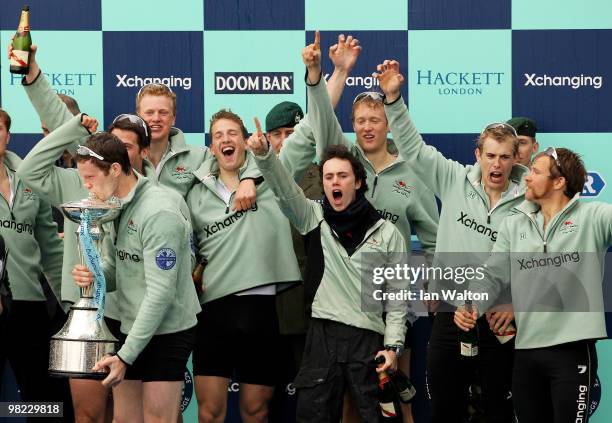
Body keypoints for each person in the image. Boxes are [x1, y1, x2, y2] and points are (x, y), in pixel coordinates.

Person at [373, 60, 529, 422]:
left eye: (505, 157)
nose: (497, 164)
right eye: (490, 155)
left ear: (515, 159)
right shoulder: (453, 179)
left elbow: (538, 259)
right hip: (450, 314)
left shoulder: (530, 201)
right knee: (446, 409)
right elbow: (413, 149)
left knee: (498, 412)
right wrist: (393, 99)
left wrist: (514, 305)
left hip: (498, 320)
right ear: (478, 154)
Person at [301, 34, 439, 423]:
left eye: (374, 119)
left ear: (387, 123)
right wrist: (321, 75)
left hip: (393, 296)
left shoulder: (412, 173)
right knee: (348, 403)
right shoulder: (342, 161)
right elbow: (319, 119)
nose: (366, 127)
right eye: (359, 120)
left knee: (395, 398)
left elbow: (432, 237)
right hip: (343, 295)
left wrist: (430, 284)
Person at [249, 116, 411, 421]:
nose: (334, 182)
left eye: (342, 176)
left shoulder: (387, 232)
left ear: (358, 181)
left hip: (368, 339)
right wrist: (264, 156)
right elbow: (284, 190)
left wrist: (392, 348)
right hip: (322, 334)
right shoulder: (314, 217)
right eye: (328, 177)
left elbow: (398, 299)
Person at [455, 147, 611, 422]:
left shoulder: (593, 217)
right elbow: (492, 275)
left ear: (559, 182)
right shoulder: (514, 224)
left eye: (536, 172)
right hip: (525, 352)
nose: (527, 177)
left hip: (571, 350)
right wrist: (471, 305)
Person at [70, 128, 200, 423]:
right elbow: (116, 271)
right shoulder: (113, 205)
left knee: (157, 419)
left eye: (91, 178)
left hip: (168, 329)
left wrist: (125, 355)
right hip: (132, 325)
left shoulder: (159, 212)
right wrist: (95, 276)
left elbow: (161, 293)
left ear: (115, 169)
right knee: (125, 419)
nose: (87, 187)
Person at [187, 110, 301, 423]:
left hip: (262, 311)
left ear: (245, 142)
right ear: (212, 148)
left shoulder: (274, 175)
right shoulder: (192, 191)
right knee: (209, 414)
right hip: (213, 311)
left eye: (232, 133)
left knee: (256, 412)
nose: (225, 139)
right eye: (218, 135)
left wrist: (328, 73)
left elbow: (310, 130)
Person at [0, 108, 65, 421]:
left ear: (8, 135)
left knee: (41, 400)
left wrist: (70, 300)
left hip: (30, 305)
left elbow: (51, 248)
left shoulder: (27, 179)